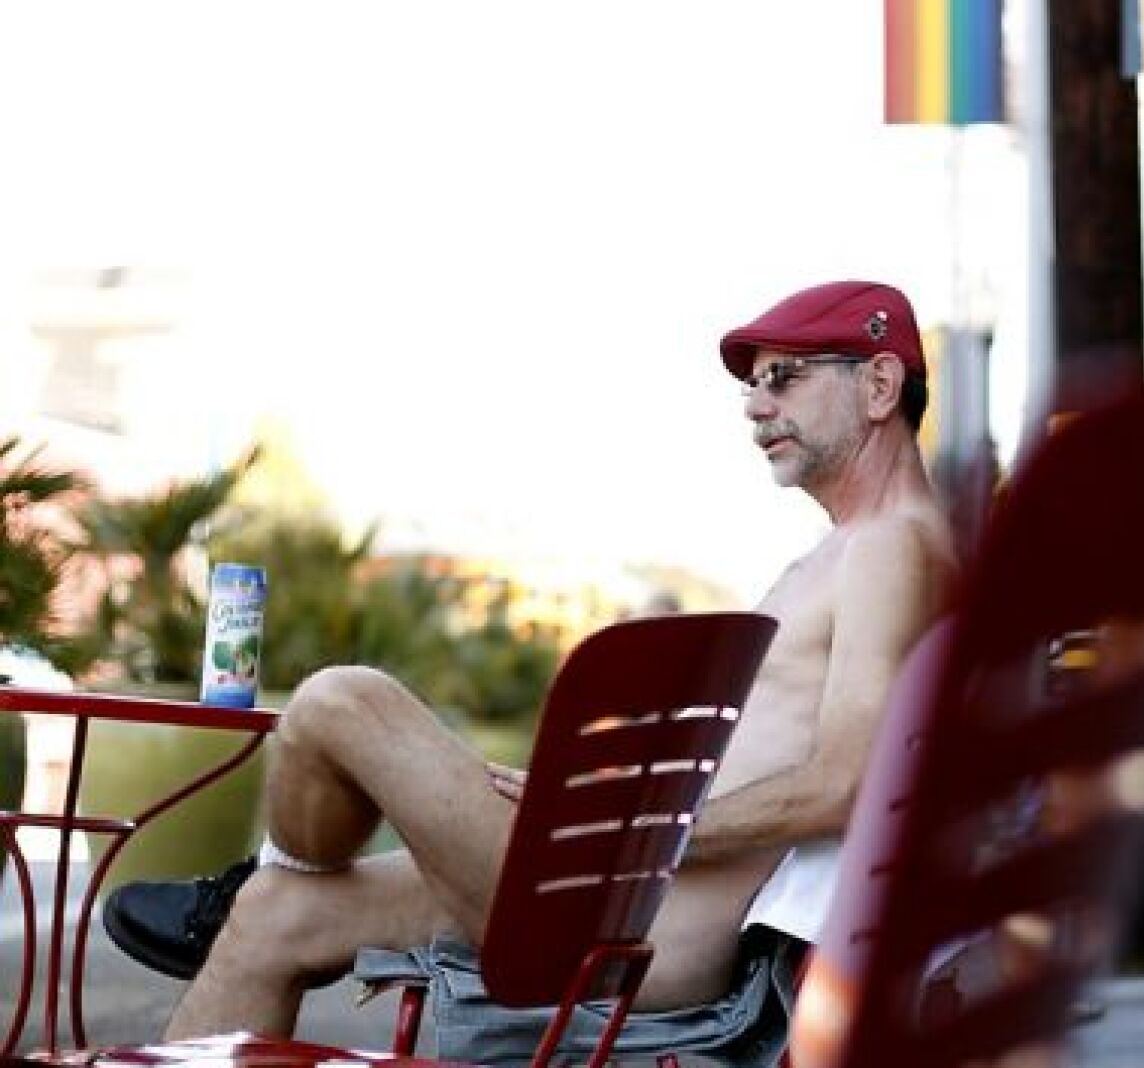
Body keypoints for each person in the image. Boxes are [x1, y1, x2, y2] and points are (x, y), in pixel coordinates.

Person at [103, 280, 960, 1040]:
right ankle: (261, 886)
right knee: (279, 916)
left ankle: (267, 865)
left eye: (785, 377)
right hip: (625, 890)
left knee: (341, 702)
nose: (754, 405)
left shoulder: (893, 549)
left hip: (641, 921)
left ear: (879, 384)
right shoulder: (853, 551)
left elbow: (849, 781)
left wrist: (640, 831)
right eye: (751, 384)